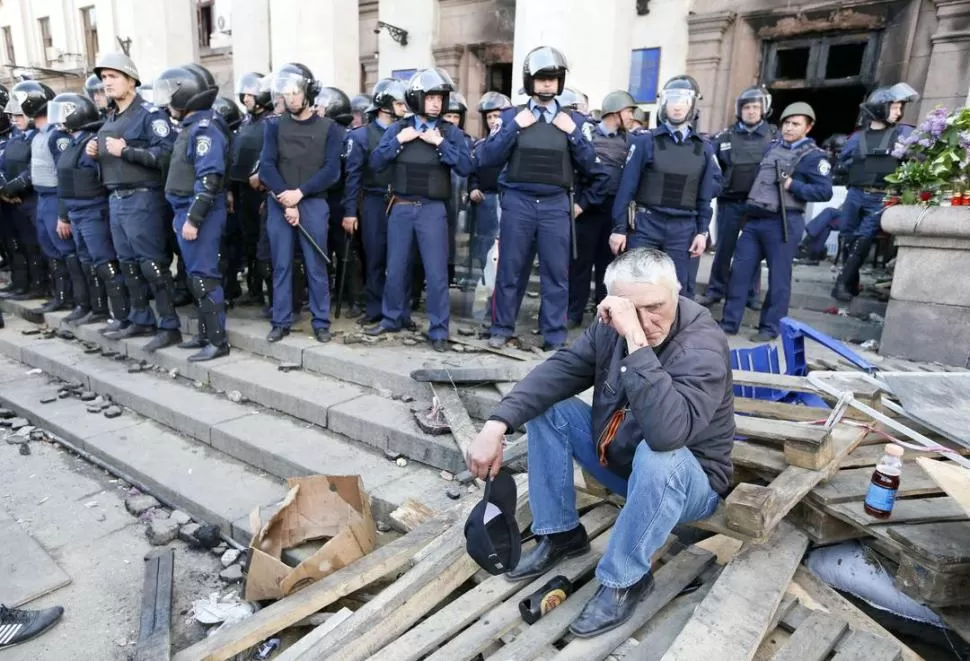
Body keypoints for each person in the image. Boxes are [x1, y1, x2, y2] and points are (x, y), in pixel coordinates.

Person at [465, 247, 734, 637]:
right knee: (547, 409)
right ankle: (560, 534)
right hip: (623, 460)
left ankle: (626, 579)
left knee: (658, 456)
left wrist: (637, 342)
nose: (644, 320)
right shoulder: (610, 326)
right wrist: (495, 425)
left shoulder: (701, 345)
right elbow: (560, 371)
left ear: (677, 292)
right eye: (631, 311)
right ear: (611, 305)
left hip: (687, 483)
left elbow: (668, 435)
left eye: (656, 306)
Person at [479, 46, 607, 351]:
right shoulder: (511, 116)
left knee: (556, 274)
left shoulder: (573, 121)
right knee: (510, 270)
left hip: (555, 204)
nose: (548, 84)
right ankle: (501, 328)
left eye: (553, 78)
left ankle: (554, 335)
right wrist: (513, 127)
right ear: (530, 81)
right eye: (542, 78)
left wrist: (574, 134)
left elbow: (592, 167)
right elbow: (487, 157)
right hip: (519, 203)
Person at [364, 68, 473, 351]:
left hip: (432, 210)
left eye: (440, 98)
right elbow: (375, 163)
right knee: (396, 268)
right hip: (400, 207)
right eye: (431, 97)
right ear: (417, 98)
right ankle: (392, 318)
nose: (437, 103)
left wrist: (438, 143)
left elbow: (465, 166)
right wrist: (400, 141)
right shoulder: (398, 129)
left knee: (436, 273)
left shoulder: (450, 133)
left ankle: (438, 331)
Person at [720, 102, 833, 341]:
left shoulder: (814, 157)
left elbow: (824, 192)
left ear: (808, 127)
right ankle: (729, 323)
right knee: (739, 271)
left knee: (779, 278)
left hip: (784, 222)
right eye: (787, 123)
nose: (789, 128)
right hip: (755, 219)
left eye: (796, 124)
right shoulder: (771, 148)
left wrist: (794, 185)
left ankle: (770, 328)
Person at [91, 52, 179, 350]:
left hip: (143, 198)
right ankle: (141, 318)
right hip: (116, 198)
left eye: (113, 76)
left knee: (152, 264)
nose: (107, 83)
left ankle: (169, 325)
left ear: (131, 81)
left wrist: (125, 151)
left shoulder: (150, 114)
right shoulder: (111, 117)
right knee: (128, 265)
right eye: (104, 78)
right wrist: (96, 152)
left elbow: (165, 155)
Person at [610, 75, 718, 301]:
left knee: (678, 291)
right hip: (646, 224)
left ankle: (675, 336)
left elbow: (704, 195)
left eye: (683, 100)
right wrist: (619, 228)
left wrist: (702, 231)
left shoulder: (704, 149)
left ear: (692, 105)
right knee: (636, 285)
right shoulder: (645, 142)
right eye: (672, 100)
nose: (677, 106)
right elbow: (627, 188)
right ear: (664, 104)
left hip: (683, 229)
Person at [258, 62, 344, 343]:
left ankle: (321, 322)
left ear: (307, 92)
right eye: (286, 93)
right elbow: (267, 167)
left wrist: (300, 194)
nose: (291, 97)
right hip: (280, 202)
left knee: (316, 264)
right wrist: (287, 199)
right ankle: (280, 320)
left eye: (296, 92)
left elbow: (332, 170)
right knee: (281, 264)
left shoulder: (329, 128)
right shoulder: (273, 126)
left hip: (312, 203)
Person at [155, 64, 231, 361]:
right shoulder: (192, 125)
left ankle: (217, 340)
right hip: (185, 211)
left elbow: (209, 179)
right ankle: (204, 332)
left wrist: (194, 218)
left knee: (204, 277)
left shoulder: (205, 129)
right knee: (194, 276)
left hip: (198, 213)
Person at [831, 84, 918, 302]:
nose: (899, 112)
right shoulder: (857, 138)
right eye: (895, 107)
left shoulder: (901, 134)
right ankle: (850, 281)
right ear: (881, 108)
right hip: (856, 193)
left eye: (900, 108)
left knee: (864, 238)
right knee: (848, 236)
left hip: (880, 195)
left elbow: (914, 159)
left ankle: (841, 284)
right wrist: (860, 162)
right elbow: (841, 164)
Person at [698, 86, 778, 309]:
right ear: (739, 110)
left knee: (753, 252)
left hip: (759, 205)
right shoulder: (726, 137)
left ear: (764, 110)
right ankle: (716, 290)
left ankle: (751, 295)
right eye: (747, 107)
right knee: (724, 249)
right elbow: (712, 168)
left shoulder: (773, 138)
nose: (751, 111)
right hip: (730, 202)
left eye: (755, 107)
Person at [51, 92, 125, 328]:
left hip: (93, 211)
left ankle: (122, 315)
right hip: (76, 212)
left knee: (105, 263)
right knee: (87, 262)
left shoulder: (92, 143)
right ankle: (99, 308)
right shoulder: (74, 142)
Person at [343, 77, 408, 325]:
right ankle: (374, 309)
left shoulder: (407, 131)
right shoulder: (361, 137)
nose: (405, 109)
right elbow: (353, 178)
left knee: (400, 258)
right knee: (375, 257)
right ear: (385, 107)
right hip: (373, 201)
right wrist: (350, 212)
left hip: (401, 200)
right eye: (400, 104)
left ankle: (399, 310)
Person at [567, 90, 636, 328]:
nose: (631, 116)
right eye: (628, 111)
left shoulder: (631, 141)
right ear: (614, 111)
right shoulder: (588, 136)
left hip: (613, 213)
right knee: (579, 266)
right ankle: (573, 314)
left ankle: (603, 318)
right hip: (586, 210)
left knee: (608, 269)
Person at [17, 81, 75, 315]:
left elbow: (64, 175)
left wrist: (63, 213)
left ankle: (73, 298)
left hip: (54, 196)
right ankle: (61, 296)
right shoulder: (39, 136)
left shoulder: (55, 135)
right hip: (42, 197)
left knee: (64, 250)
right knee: (50, 249)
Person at [230, 72, 274, 308]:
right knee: (248, 240)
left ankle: (270, 292)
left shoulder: (270, 123)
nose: (245, 98)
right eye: (244, 94)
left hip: (262, 190)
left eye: (250, 94)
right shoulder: (245, 123)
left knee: (264, 243)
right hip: (242, 189)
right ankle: (255, 289)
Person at [0, 91, 48, 300]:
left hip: (31, 198)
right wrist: (5, 190)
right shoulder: (16, 138)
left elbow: (33, 169)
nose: (15, 120)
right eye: (13, 116)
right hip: (13, 201)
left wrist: (13, 188)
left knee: (34, 244)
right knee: (17, 243)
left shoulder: (39, 137)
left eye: (19, 116)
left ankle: (39, 286)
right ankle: (23, 283)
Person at [466, 91, 511, 284]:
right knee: (485, 248)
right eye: (490, 117)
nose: (493, 120)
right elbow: (473, 171)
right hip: (486, 202)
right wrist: (474, 187)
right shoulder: (480, 145)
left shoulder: (513, 143)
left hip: (508, 201)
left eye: (497, 116)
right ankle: (486, 286)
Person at [441, 91, 473, 288]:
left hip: (457, 197)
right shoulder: (432, 137)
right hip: (440, 196)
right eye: (448, 116)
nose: (452, 120)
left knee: (453, 238)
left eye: (456, 116)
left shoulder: (466, 140)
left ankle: (450, 274)